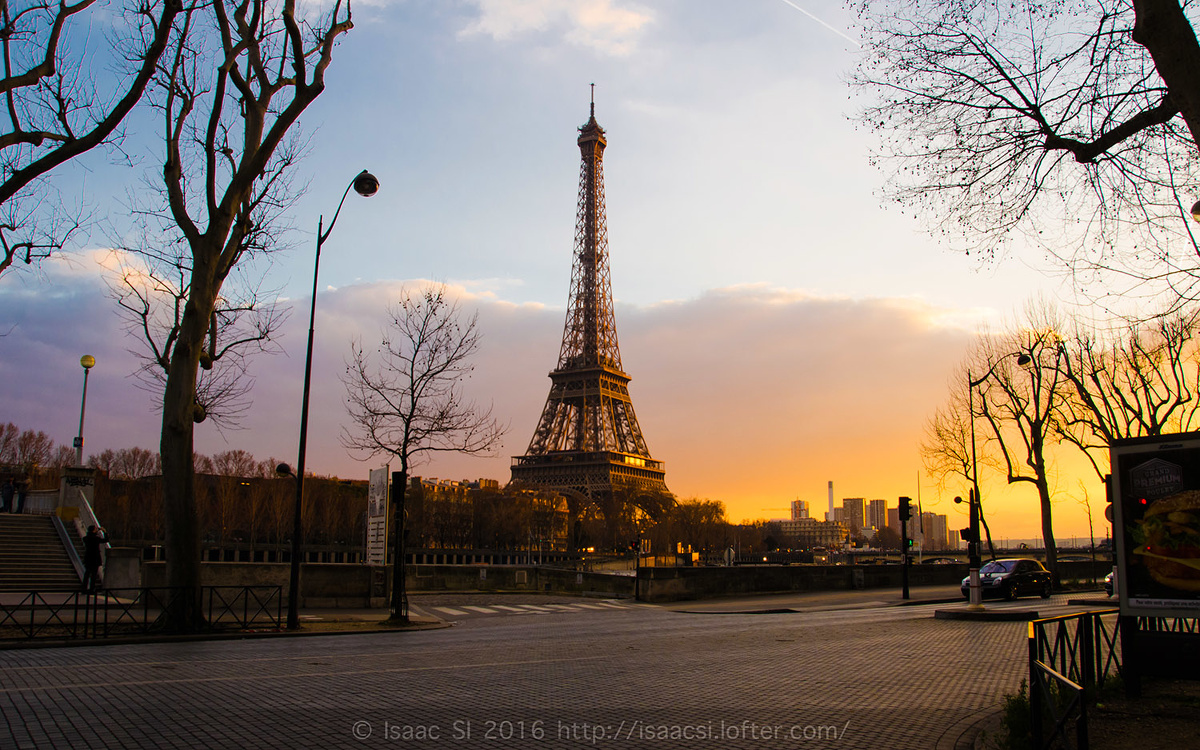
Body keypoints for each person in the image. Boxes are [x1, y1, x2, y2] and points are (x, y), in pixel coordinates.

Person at [82, 525, 109, 593]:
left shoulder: (86, 538)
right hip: (95, 558)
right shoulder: (96, 539)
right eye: (95, 529)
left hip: (88, 558)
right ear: (93, 530)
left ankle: (84, 589)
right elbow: (106, 540)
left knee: (87, 573)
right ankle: (92, 589)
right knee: (94, 574)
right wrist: (104, 532)